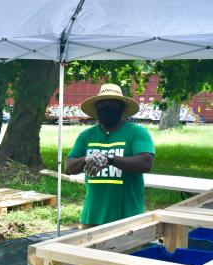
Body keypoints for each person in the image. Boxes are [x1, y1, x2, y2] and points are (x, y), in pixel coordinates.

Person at [65, 83, 155, 228]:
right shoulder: (87, 135)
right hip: (92, 216)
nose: (107, 108)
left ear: (122, 108)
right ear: (96, 109)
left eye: (113, 104)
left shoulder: (137, 132)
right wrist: (86, 158)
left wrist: (110, 159)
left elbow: (146, 162)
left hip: (128, 216)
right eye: (102, 105)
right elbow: (69, 167)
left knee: (130, 251)